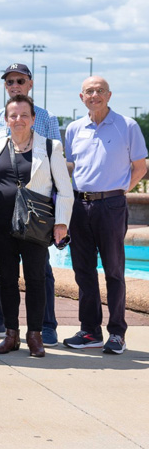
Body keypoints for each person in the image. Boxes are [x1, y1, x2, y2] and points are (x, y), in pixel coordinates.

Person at [0, 95, 72, 357]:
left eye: (23, 115)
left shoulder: (50, 147)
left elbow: (65, 190)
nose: (18, 120)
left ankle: (35, 335)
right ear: (6, 119)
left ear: (33, 119)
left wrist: (61, 223)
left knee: (36, 279)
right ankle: (11, 334)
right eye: (13, 115)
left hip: (35, 226)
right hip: (0, 226)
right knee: (6, 279)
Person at [64, 76, 148, 355]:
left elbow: (140, 167)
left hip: (111, 206)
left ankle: (117, 333)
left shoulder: (128, 126)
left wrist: (121, 191)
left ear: (109, 95)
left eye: (100, 90)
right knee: (83, 271)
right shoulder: (74, 129)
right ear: (82, 97)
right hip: (79, 207)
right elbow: (70, 167)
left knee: (113, 270)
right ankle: (90, 332)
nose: (95, 95)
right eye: (89, 91)